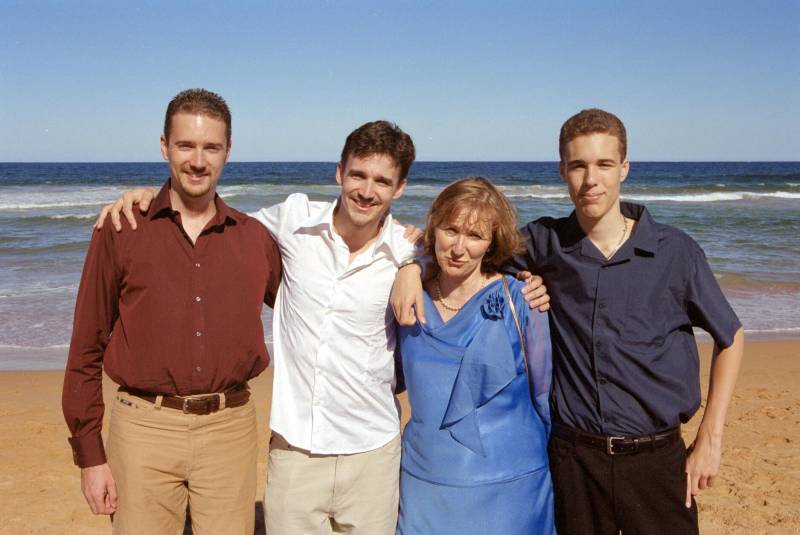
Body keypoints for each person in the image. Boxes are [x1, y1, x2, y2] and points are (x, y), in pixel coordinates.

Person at [96, 121, 551, 535]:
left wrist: (419, 267)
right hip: (295, 451)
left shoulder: (409, 250)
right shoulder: (293, 221)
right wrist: (153, 196)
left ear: (399, 188)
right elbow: (217, 223)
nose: (367, 191)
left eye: (382, 181)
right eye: (358, 175)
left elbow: (469, 256)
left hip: (373, 455)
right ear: (339, 173)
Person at [392, 109, 744, 535]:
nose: (591, 179)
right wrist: (410, 266)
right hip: (574, 461)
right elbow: (469, 251)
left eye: (604, 164)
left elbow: (730, 337)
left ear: (624, 168)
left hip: (655, 459)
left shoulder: (675, 252)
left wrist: (710, 438)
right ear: (563, 171)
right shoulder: (544, 242)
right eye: (578, 165)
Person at [62, 88, 282, 534]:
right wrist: (90, 455)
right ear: (164, 146)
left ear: (228, 151)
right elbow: (86, 344)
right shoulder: (122, 229)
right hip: (143, 429)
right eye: (186, 145)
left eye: (211, 147)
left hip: (230, 429)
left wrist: (410, 261)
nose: (198, 161)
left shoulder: (254, 239)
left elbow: (314, 308)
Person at [396, 177, 555, 534]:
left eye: (475, 236)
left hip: (512, 487)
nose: (458, 248)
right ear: (433, 228)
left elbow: (543, 396)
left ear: (492, 242)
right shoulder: (407, 298)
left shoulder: (522, 300)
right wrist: (409, 264)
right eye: (451, 230)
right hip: (426, 484)